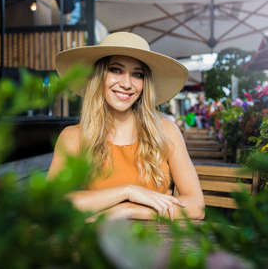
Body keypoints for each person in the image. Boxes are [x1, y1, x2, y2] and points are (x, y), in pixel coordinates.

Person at [47, 32, 205, 221]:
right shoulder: (73, 136)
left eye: (137, 74)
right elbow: (52, 203)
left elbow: (196, 206)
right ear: (98, 76)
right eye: (116, 70)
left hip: (160, 243)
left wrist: (128, 210)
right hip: (98, 243)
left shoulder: (165, 130)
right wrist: (127, 192)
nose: (127, 84)